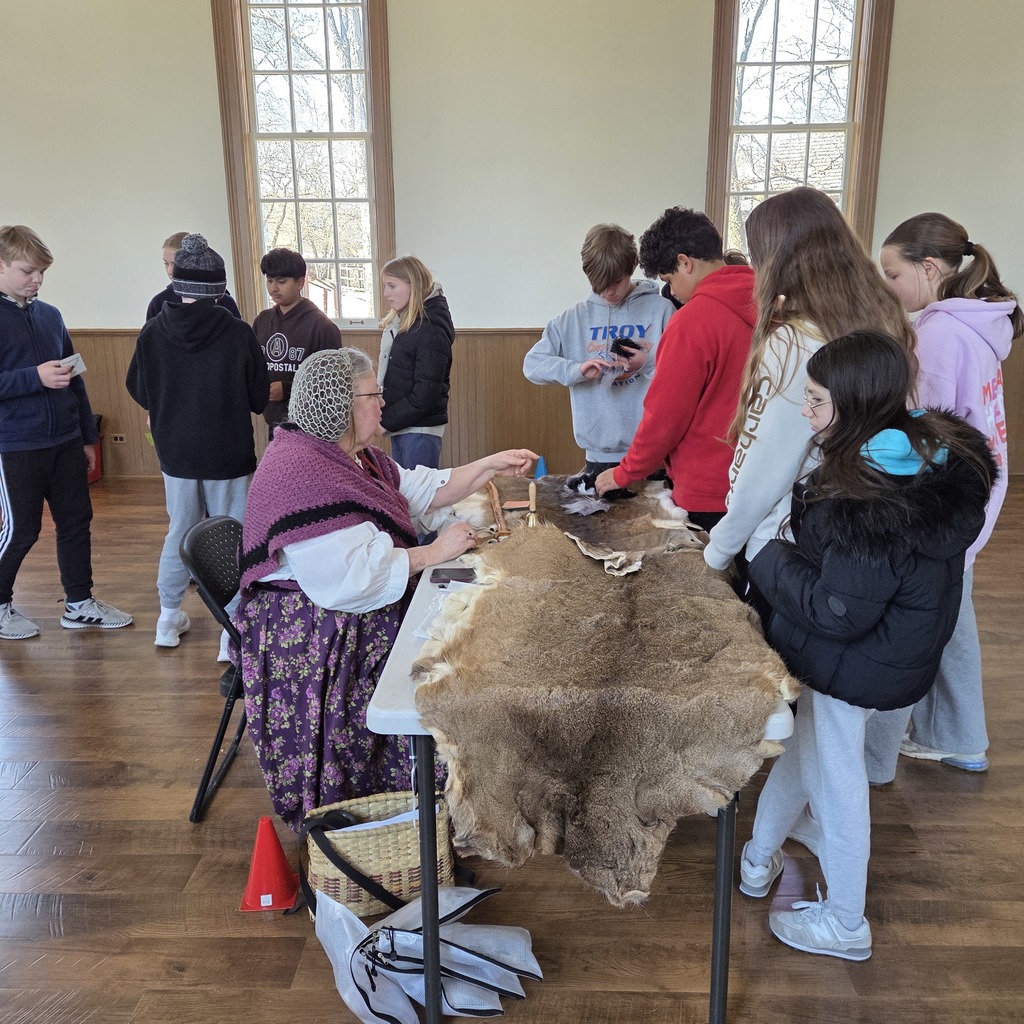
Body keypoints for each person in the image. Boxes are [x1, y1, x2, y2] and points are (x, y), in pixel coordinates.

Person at [738, 330, 995, 961]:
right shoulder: (924, 455)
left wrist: (765, 555)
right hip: (892, 654)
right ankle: (757, 858)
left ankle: (847, 921)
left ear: (853, 408)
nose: (806, 412)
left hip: (855, 661)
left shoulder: (864, 498)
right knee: (806, 748)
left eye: (817, 401)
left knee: (838, 773)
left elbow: (836, 608)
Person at [235, 346, 538, 829]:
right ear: (341, 406)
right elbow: (349, 581)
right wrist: (435, 553)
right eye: (372, 394)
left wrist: (488, 466)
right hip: (315, 629)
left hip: (343, 601)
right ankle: (411, 801)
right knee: (443, 660)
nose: (382, 403)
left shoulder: (350, 457)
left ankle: (451, 787)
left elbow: (424, 490)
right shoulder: (302, 474)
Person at [702, 187, 916, 608]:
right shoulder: (885, 319)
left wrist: (718, 551)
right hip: (859, 536)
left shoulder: (795, 342)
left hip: (789, 542)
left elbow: (764, 467)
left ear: (779, 259)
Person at [864, 214, 1022, 778]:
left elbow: (919, 436)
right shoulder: (980, 326)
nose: (888, 285)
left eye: (892, 273)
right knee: (950, 616)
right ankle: (956, 735)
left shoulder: (938, 335)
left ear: (929, 269)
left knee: (925, 623)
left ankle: (897, 751)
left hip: (942, 504)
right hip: (975, 496)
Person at [126, 233, 269, 655]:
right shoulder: (238, 333)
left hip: (176, 453)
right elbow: (259, 398)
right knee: (233, 535)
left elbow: (138, 387)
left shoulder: (152, 332)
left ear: (178, 285)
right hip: (228, 452)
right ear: (219, 288)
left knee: (179, 530)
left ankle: (168, 619)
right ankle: (231, 630)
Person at [0, 224, 133, 640]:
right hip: (15, 446)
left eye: (42, 272)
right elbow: (28, 378)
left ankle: (79, 604)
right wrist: (33, 377)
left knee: (76, 521)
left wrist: (86, 438)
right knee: (21, 530)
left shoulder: (50, 315)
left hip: (64, 443)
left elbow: (75, 379)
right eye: (28, 271)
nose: (37, 280)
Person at [594, 209, 754, 530]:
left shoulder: (693, 321)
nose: (673, 293)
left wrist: (625, 472)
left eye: (669, 280)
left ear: (685, 262)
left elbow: (665, 416)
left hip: (709, 491)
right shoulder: (770, 302)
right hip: (761, 483)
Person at [523, 224, 674, 490]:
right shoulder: (572, 319)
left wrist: (645, 363)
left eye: (616, 281)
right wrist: (577, 370)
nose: (608, 292)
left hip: (653, 456)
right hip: (597, 456)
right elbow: (532, 365)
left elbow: (680, 375)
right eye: (599, 284)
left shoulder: (661, 310)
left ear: (631, 267)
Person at [253, 247, 342, 435]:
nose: (273, 288)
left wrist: (287, 389)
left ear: (300, 282)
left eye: (281, 282)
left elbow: (331, 384)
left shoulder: (321, 326)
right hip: (274, 421)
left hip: (311, 427)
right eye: (269, 280)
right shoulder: (262, 321)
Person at [377, 255, 455, 470]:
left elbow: (425, 395)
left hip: (419, 430)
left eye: (392, 286)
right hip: (403, 426)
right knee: (406, 498)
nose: (386, 294)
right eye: (385, 286)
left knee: (418, 500)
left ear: (414, 284)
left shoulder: (429, 329)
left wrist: (386, 421)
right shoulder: (408, 324)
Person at [145, 231, 241, 321]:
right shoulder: (158, 302)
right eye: (166, 263)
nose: (170, 270)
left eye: (174, 264)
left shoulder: (225, 301)